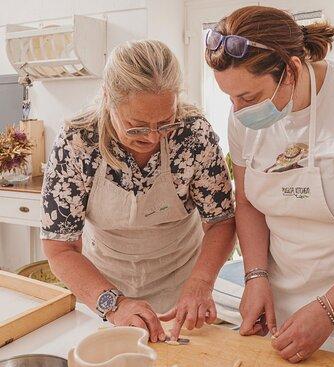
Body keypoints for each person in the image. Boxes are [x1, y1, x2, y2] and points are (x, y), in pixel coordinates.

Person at [205, 5, 334, 360]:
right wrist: (256, 275)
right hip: (280, 313)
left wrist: (329, 310)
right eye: (229, 98)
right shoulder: (244, 120)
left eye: (248, 97)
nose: (236, 111)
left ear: (292, 69)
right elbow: (247, 203)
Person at [41, 40, 235, 343]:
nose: (154, 137)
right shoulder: (78, 142)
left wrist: (200, 283)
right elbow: (60, 248)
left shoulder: (193, 134)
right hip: (102, 291)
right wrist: (113, 304)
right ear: (108, 99)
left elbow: (220, 221)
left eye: (165, 123)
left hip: (184, 290)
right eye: (137, 126)